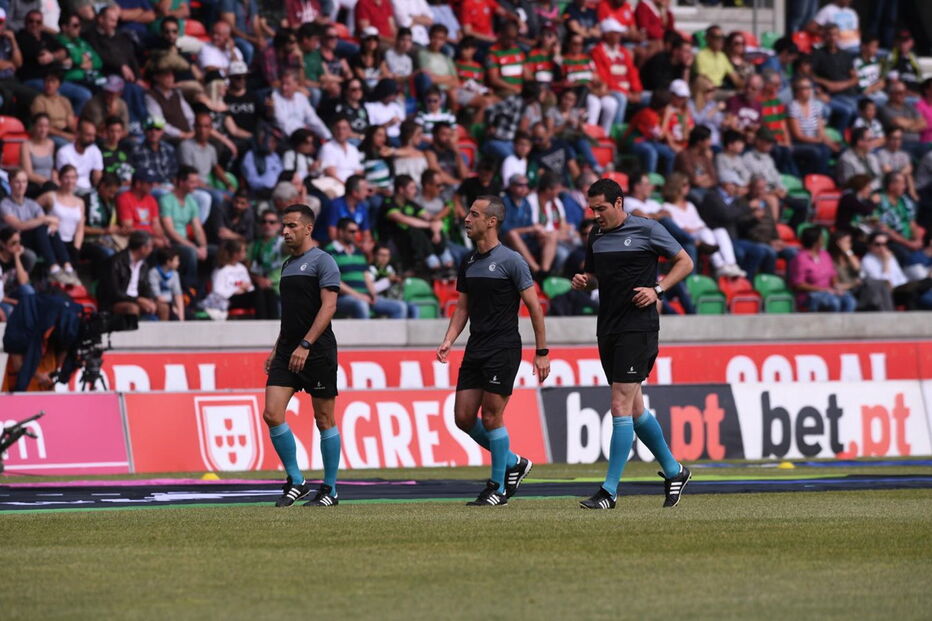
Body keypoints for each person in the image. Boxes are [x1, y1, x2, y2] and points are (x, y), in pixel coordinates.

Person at [571, 177, 693, 509]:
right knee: (635, 409)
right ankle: (675, 471)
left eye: (601, 208)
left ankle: (609, 491)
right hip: (607, 326)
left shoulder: (647, 229)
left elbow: (685, 262)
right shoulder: (596, 235)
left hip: (638, 327)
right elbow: (595, 276)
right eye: (592, 209)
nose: (596, 215)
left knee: (619, 405)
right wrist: (585, 280)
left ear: (619, 203)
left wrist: (658, 290)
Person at [436, 194, 549, 505]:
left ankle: (497, 488)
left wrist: (542, 351)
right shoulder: (468, 261)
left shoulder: (512, 261)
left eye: (474, 214)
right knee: (463, 417)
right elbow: (462, 307)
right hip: (476, 347)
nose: (467, 219)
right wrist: (449, 339)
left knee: (491, 417)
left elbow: (534, 307)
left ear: (491, 221)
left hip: (503, 347)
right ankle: (514, 462)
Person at [263, 203, 342, 507]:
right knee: (272, 413)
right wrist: (277, 348)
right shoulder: (287, 265)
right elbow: (291, 314)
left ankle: (330, 489)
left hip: (316, 350)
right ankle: (297, 480)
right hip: (287, 350)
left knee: (324, 419)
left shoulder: (324, 261)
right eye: (284, 226)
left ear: (308, 228)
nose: (285, 231)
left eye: (292, 225)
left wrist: (306, 344)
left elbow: (329, 307)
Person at [1, 168, 79, 285]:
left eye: (24, 182)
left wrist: (51, 224)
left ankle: (67, 267)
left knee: (48, 229)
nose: (21, 186)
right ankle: (54, 269)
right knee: (41, 227)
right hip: (14, 241)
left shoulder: (31, 203)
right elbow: (19, 225)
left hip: (36, 241)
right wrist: (45, 220)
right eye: (17, 182)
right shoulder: (4, 204)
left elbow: (47, 222)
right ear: (10, 183)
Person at [328, 217, 408, 319]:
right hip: (343, 299)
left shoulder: (358, 252)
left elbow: (366, 276)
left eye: (357, 231)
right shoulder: (330, 251)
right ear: (341, 232)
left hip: (365, 296)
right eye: (352, 231)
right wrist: (359, 296)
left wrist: (373, 294)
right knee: (361, 305)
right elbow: (334, 282)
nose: (355, 234)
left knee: (400, 307)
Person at [159, 165, 209, 289]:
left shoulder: (191, 202)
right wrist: (193, 246)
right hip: (171, 243)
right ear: (181, 182)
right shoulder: (166, 200)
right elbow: (170, 231)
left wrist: (203, 247)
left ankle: (204, 289)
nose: (196, 185)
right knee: (191, 252)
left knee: (215, 252)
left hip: (185, 242)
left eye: (196, 182)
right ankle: (188, 289)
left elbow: (198, 228)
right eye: (192, 182)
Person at [789, 225, 857, 312]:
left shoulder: (825, 255)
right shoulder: (801, 258)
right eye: (821, 238)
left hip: (829, 291)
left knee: (849, 301)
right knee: (833, 302)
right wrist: (823, 290)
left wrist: (836, 287)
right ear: (815, 241)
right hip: (809, 295)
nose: (824, 240)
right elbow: (798, 284)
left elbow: (833, 275)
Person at [96, 230, 159, 317]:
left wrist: (150, 299)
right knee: (132, 308)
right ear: (143, 248)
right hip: (115, 302)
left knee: (162, 307)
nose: (152, 250)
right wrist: (137, 300)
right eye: (151, 246)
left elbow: (146, 285)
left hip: (136, 299)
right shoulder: (115, 262)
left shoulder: (143, 265)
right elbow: (114, 292)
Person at [55, 119, 103, 194]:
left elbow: (97, 175)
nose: (92, 139)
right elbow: (64, 179)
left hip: (88, 190)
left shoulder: (95, 150)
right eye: (88, 135)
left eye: (94, 135)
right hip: (70, 190)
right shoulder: (64, 152)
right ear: (78, 134)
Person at [20, 113, 57, 197]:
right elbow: (28, 173)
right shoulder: (26, 145)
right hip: (34, 184)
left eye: (46, 126)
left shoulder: (51, 144)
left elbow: (52, 168)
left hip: (49, 184)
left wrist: (54, 178)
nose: (43, 130)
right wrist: (47, 181)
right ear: (34, 127)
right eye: (40, 126)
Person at [147, 246, 186, 320]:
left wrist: (181, 315)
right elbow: (157, 296)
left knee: (186, 315)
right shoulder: (153, 273)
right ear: (168, 262)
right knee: (165, 309)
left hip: (171, 304)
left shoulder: (175, 274)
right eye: (176, 260)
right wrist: (171, 306)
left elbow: (178, 295)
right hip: (157, 303)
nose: (178, 263)